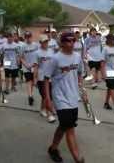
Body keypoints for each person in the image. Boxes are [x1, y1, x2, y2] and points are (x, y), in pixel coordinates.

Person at [45, 32, 85, 163]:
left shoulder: (77, 57)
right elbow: (46, 79)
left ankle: (53, 148)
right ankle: (77, 158)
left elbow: (79, 73)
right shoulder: (55, 58)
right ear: (61, 43)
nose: (72, 43)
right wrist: (48, 100)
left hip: (73, 97)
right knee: (69, 129)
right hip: (60, 98)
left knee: (63, 126)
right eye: (68, 41)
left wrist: (82, 90)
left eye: (73, 40)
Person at [35, 34, 56, 123]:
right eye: (44, 42)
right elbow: (36, 66)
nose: (46, 43)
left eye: (47, 41)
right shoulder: (37, 53)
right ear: (40, 43)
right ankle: (49, 114)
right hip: (42, 78)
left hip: (51, 77)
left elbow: (54, 64)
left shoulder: (51, 51)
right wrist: (35, 79)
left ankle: (42, 109)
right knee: (47, 96)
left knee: (46, 96)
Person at [21, 31, 39, 106]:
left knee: (32, 83)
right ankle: (30, 96)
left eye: (29, 37)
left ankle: (30, 94)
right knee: (29, 82)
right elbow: (21, 57)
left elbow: (39, 55)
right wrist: (26, 65)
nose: (28, 39)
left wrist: (36, 64)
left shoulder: (35, 45)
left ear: (31, 37)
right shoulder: (23, 46)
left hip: (34, 66)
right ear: (25, 38)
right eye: (26, 37)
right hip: (26, 67)